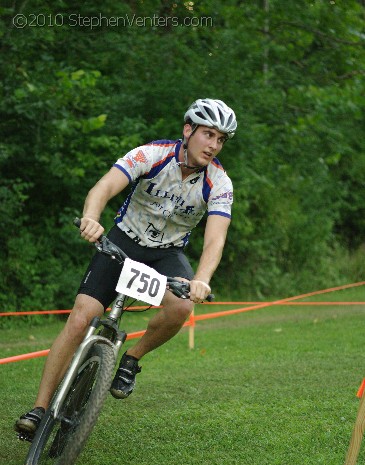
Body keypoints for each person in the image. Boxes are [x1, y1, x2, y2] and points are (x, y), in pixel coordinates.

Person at [15, 98, 237, 439]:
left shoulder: (219, 183)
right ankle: (39, 408)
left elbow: (215, 241)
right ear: (188, 130)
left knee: (181, 307)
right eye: (208, 134)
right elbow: (103, 187)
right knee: (80, 319)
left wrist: (202, 279)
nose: (214, 145)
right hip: (123, 242)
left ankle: (131, 359)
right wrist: (91, 217)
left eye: (220, 139)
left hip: (166, 254)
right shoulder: (151, 155)